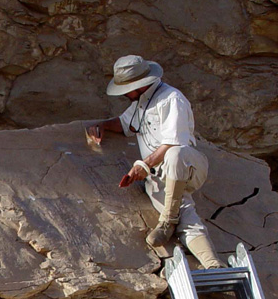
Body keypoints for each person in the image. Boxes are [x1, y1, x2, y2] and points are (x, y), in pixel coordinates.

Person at [86, 55, 225, 269]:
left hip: (188, 167)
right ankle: (213, 265)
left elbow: (173, 143)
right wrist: (102, 126)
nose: (124, 94)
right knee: (184, 212)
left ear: (141, 85)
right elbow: (124, 124)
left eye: (127, 89)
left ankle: (168, 221)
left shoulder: (171, 98)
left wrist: (144, 164)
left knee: (175, 155)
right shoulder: (141, 102)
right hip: (161, 176)